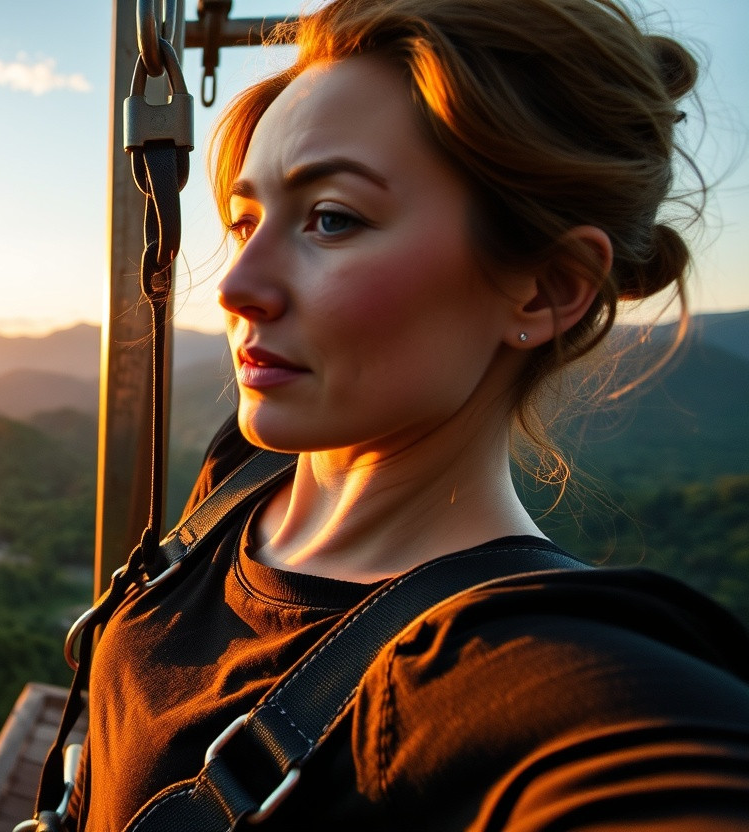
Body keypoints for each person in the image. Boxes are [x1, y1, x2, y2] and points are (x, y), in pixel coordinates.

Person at [68, 0, 749, 829]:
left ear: (548, 287)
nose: (236, 286)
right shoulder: (242, 478)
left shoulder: (516, 669)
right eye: (248, 219)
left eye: (332, 219)